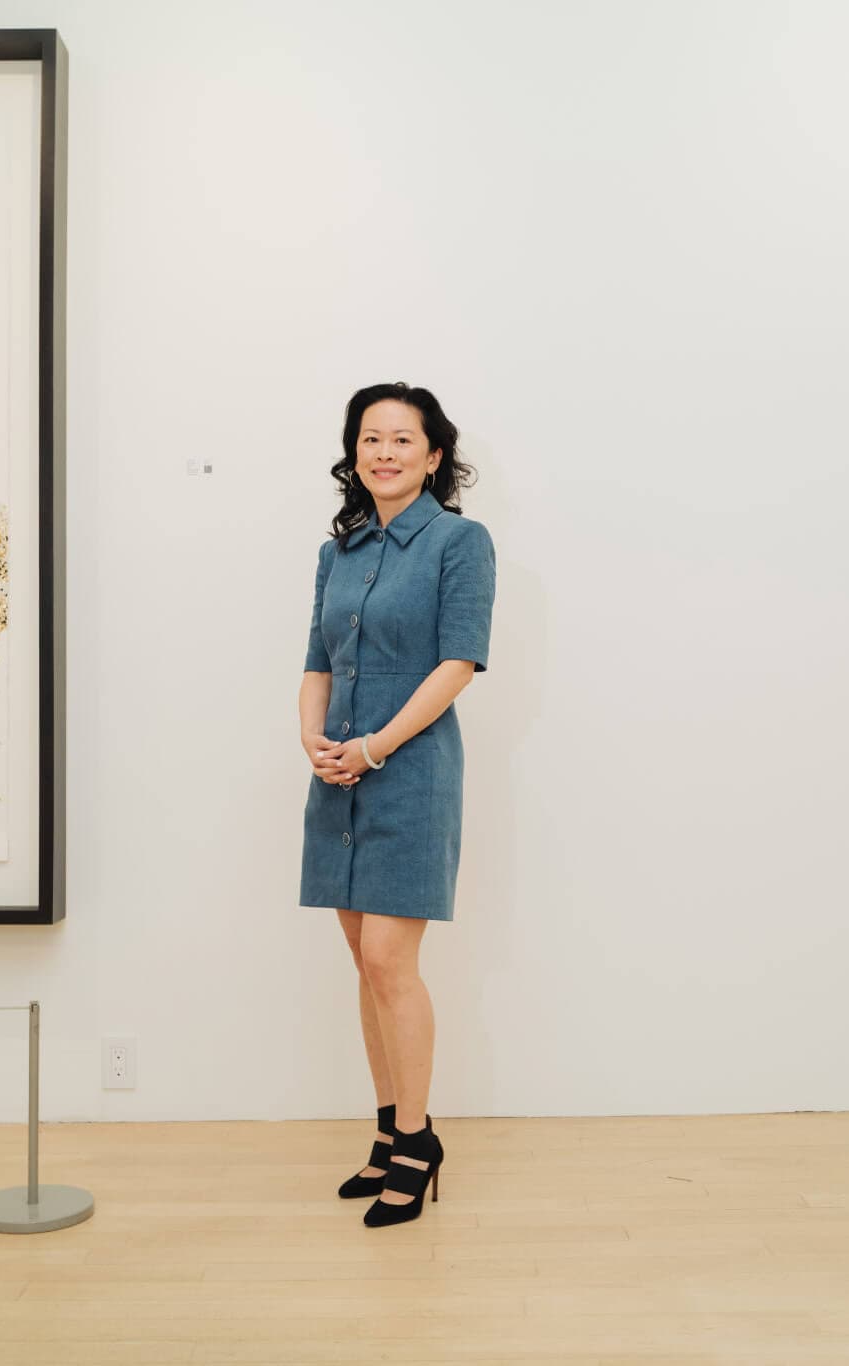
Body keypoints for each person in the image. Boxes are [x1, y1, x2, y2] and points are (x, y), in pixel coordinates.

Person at [297, 381, 497, 1228]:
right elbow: (315, 657)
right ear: (355, 453)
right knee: (362, 959)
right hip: (337, 773)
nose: (384, 452)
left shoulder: (459, 542)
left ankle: (417, 1143)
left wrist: (376, 745)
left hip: (409, 773)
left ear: (433, 455)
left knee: (390, 960)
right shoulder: (336, 551)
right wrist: (313, 739)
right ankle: (386, 1135)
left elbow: (458, 664)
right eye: (370, 438)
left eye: (402, 439)